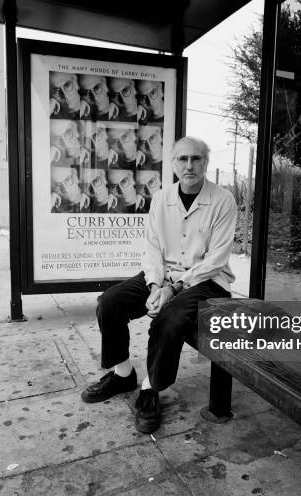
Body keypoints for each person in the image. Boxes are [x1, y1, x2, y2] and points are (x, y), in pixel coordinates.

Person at [81, 137, 237, 434]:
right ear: (173, 163)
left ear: (206, 162)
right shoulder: (161, 198)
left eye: (196, 158)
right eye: (182, 159)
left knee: (171, 318)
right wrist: (155, 285)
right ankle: (122, 374)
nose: (189, 165)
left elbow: (216, 259)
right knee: (110, 302)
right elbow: (152, 247)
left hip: (206, 280)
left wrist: (174, 289)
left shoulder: (223, 200)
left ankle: (152, 390)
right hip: (162, 275)